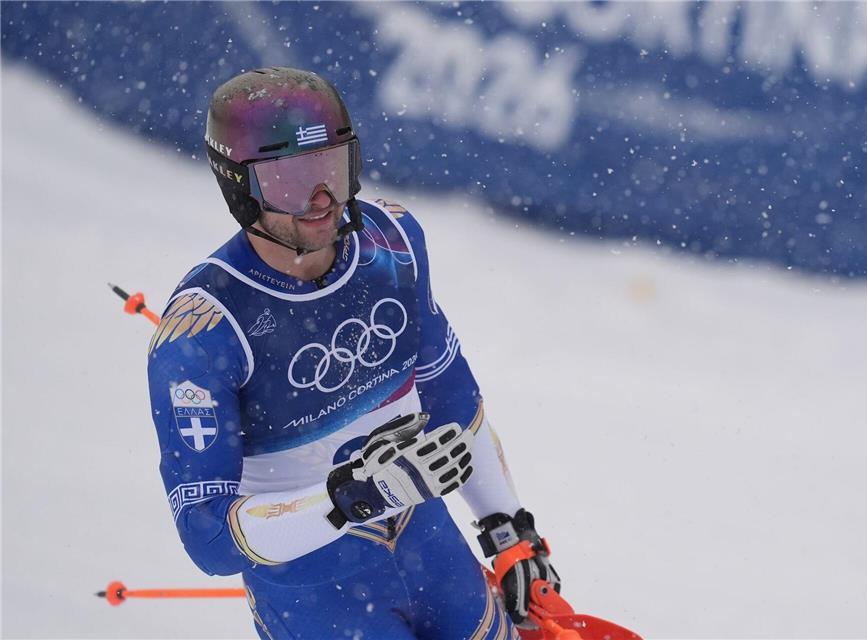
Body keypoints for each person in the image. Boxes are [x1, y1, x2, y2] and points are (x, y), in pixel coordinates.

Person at [147, 67, 560, 639]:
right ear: (241, 188)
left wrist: (508, 529)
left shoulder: (393, 241)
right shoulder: (203, 329)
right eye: (291, 182)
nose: (322, 200)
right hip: (316, 594)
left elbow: (449, 393)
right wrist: (350, 499)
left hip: (428, 548)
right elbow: (208, 536)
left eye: (332, 169)